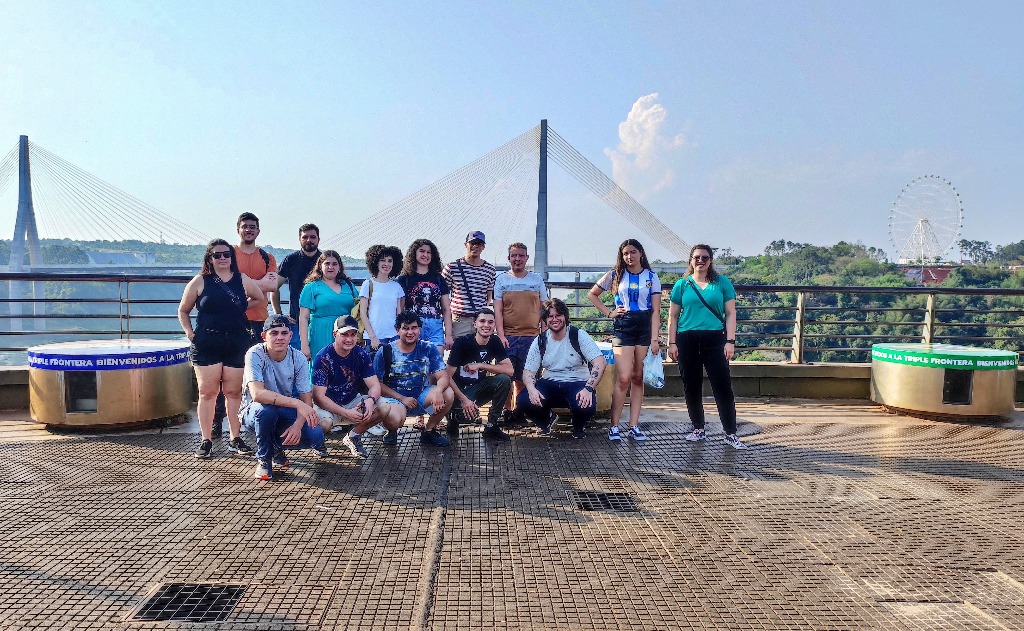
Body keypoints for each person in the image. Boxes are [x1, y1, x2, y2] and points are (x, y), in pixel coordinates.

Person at [177, 239, 262, 459]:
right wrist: (190, 333)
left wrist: (241, 306)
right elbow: (183, 310)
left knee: (233, 392)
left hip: (236, 341)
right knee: (207, 392)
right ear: (210, 258)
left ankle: (235, 437)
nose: (222, 258)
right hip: (207, 342)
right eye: (217, 255)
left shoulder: (242, 279)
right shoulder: (200, 281)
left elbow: (259, 297)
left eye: (226, 254)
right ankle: (206, 439)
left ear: (232, 257)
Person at [667, 244, 747, 450]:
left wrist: (730, 341)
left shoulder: (722, 283)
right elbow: (673, 316)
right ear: (691, 260)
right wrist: (672, 343)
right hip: (687, 339)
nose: (700, 261)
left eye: (705, 257)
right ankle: (698, 428)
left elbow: (730, 313)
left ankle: (730, 433)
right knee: (691, 386)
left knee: (722, 386)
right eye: (697, 257)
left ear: (710, 260)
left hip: (715, 339)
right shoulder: (682, 285)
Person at [210, 212, 278, 438]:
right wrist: (257, 285)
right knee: (226, 372)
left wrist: (242, 284)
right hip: (231, 320)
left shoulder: (267, 257)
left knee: (259, 372)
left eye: (252, 227)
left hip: (259, 321)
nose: (248, 230)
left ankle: (256, 417)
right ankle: (217, 421)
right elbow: (220, 282)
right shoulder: (227, 254)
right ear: (238, 229)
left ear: (258, 231)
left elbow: (272, 286)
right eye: (245, 226)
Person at [588, 239, 662, 442]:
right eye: (626, 253)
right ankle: (614, 426)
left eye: (633, 252)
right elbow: (592, 294)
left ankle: (633, 426)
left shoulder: (651, 277)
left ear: (641, 253)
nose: (630, 256)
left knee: (638, 377)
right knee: (623, 377)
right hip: (624, 327)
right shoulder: (615, 274)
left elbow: (656, 311)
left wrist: (655, 338)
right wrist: (609, 312)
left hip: (644, 328)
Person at [240, 315, 328, 481]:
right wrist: (296, 403)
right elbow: (257, 394)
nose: (279, 337)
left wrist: (297, 425)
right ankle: (264, 459)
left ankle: (275, 446)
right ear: (264, 336)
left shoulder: (299, 358)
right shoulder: (255, 353)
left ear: (290, 336)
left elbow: (306, 399)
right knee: (265, 410)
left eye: (284, 333)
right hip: (254, 411)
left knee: (316, 434)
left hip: (283, 410)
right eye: (274, 333)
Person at [312, 316, 406, 458]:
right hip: (328, 405)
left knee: (385, 406)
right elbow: (318, 397)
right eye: (344, 334)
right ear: (335, 334)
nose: (349, 339)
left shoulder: (361, 353)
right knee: (324, 424)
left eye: (353, 334)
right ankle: (318, 442)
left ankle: (353, 436)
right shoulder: (323, 357)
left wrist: (370, 400)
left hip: (351, 401)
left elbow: (374, 384)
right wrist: (345, 412)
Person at [518, 298, 607, 439]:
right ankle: (546, 421)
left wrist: (588, 388)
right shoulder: (540, 340)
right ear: (545, 320)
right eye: (550, 316)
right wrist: (531, 389)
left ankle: (579, 425)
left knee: (586, 405)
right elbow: (529, 371)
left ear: (565, 316)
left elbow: (600, 361)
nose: (554, 319)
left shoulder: (578, 335)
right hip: (550, 381)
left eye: (558, 315)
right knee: (523, 400)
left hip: (577, 381)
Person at [374, 311, 454, 447]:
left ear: (419, 329)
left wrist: (438, 391)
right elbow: (377, 384)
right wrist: (402, 398)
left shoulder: (428, 348)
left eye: (414, 328)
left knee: (448, 394)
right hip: (395, 400)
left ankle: (429, 431)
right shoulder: (385, 351)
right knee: (395, 420)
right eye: (405, 328)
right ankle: (392, 431)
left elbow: (443, 376)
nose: (410, 332)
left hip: (421, 400)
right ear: (397, 330)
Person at [493, 242, 548, 419]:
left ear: (527, 258)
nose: (517, 259)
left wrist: (544, 335)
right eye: (514, 255)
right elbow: (498, 311)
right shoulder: (501, 280)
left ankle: (520, 410)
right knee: (506, 376)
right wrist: (500, 335)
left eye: (521, 255)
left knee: (526, 376)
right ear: (509, 258)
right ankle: (506, 411)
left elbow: (544, 309)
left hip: (532, 336)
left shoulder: (536, 280)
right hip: (508, 336)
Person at [445, 307, 513, 441]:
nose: (486, 325)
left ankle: (491, 426)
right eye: (482, 321)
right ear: (474, 324)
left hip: (478, 387)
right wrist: (464, 400)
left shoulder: (494, 341)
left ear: (494, 325)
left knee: (504, 380)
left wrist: (481, 365)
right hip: (459, 392)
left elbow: (510, 370)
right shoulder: (462, 342)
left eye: (490, 322)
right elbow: (446, 376)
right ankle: (452, 418)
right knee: (466, 416)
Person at [299, 250, 358, 361]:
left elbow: (359, 308)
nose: (331, 267)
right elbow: (303, 318)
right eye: (327, 263)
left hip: (346, 333)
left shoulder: (348, 285)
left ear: (339, 267)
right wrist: (304, 345)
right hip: (320, 333)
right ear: (320, 266)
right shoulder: (311, 287)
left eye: (334, 264)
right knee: (322, 366)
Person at [396, 239, 453, 352]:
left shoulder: (438, 278)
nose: (425, 255)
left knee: (436, 359)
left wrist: (448, 335)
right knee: (414, 360)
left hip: (435, 327)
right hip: (412, 327)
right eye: (422, 251)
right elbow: (400, 310)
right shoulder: (404, 279)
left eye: (428, 252)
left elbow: (446, 309)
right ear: (414, 254)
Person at [272, 223, 322, 349]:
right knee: (297, 358)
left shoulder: (325, 262)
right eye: (305, 237)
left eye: (313, 237)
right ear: (299, 239)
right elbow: (274, 287)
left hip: (320, 321)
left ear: (318, 239)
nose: (309, 240)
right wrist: (279, 315)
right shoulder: (291, 260)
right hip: (296, 322)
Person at [442, 231, 496, 338]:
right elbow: (442, 296)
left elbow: (489, 294)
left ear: (483, 247)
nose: (475, 246)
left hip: (481, 321)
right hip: (459, 321)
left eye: (479, 244)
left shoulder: (490, 270)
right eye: (472, 243)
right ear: (465, 245)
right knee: (459, 348)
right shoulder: (452, 267)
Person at [359, 244, 406, 352]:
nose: (386, 264)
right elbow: (363, 313)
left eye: (390, 261)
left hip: (394, 337)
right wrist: (372, 337)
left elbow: (399, 314)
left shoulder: (397, 287)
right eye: (383, 260)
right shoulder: (368, 284)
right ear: (376, 262)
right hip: (373, 338)